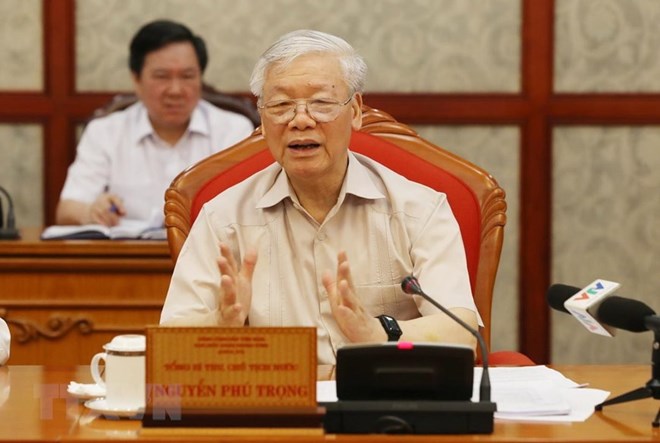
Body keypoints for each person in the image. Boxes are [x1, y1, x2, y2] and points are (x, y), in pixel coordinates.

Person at [160, 29, 480, 364]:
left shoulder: (419, 210)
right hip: (276, 406)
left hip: (384, 404)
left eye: (322, 103)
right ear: (263, 120)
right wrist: (220, 323)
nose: (300, 120)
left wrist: (377, 332)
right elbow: (170, 343)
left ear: (355, 111)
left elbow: (462, 333)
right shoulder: (223, 218)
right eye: (281, 105)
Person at [56, 20, 255, 227]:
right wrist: (92, 211)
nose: (176, 90)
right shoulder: (105, 132)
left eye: (187, 76)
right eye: (162, 77)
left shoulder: (234, 130)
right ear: (136, 80)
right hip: (129, 257)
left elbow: (249, 209)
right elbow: (67, 210)